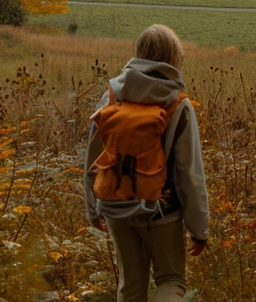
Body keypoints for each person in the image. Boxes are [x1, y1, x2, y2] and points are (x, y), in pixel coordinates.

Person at [84, 24, 209, 302]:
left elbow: (93, 157)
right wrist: (199, 229)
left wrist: (94, 208)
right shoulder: (177, 103)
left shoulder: (112, 95)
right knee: (171, 281)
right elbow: (189, 173)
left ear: (139, 52)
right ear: (174, 56)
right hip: (160, 211)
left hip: (116, 207)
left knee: (130, 288)